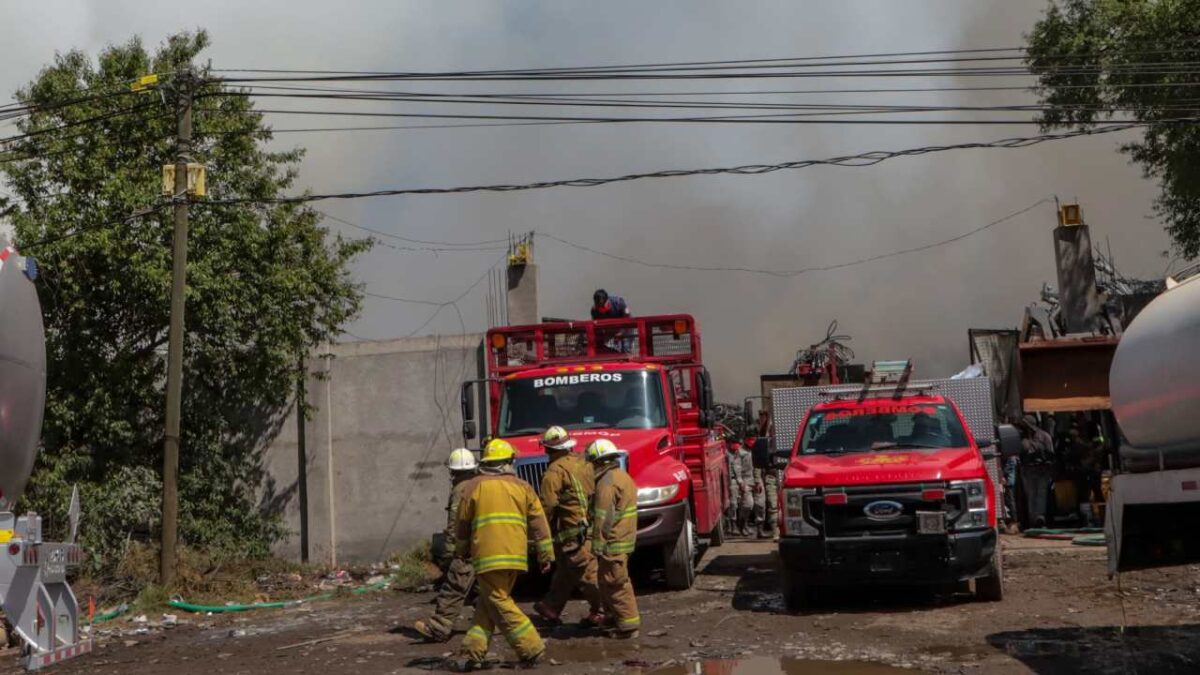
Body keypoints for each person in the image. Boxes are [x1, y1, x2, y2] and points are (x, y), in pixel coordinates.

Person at [455, 439, 555, 670]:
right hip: (515, 557)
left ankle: (531, 646)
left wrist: (461, 552)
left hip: (487, 557)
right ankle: (473, 651)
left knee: (498, 601)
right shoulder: (523, 487)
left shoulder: (473, 486)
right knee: (488, 602)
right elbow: (539, 523)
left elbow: (461, 525)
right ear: (508, 462)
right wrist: (545, 554)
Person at [532, 427, 604, 627]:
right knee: (566, 570)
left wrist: (540, 535)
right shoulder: (585, 463)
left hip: (572, 533)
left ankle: (604, 610)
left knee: (586, 573)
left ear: (547, 449)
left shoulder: (553, 472)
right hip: (590, 526)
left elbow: (547, 506)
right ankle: (551, 606)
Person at [413, 448, 479, 642]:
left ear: (452, 471)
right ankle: (486, 623)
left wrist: (451, 552)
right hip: (486, 546)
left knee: (454, 587)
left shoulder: (460, 490)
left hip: (467, 548)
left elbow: (455, 524)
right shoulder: (480, 484)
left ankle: (439, 627)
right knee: (483, 589)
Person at [586, 439, 640, 639]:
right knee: (606, 580)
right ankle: (612, 617)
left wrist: (596, 546)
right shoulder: (622, 477)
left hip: (613, 542)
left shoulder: (606, 483)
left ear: (598, 461)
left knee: (616, 583)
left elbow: (603, 519)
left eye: (591, 462)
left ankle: (628, 627)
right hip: (623, 539)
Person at [1018, 414, 1055, 529]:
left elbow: (1051, 455)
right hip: (1028, 471)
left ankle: (1039, 518)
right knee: (1031, 495)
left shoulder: (1044, 437)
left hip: (1042, 470)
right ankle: (1032, 521)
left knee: (1041, 494)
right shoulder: (1022, 439)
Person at [750, 435, 778, 539]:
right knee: (773, 504)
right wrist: (757, 480)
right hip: (772, 477)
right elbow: (758, 465)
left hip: (788, 475)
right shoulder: (768, 443)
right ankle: (776, 531)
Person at [728, 440, 754, 536]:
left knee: (748, 504)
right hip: (732, 480)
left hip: (745, 480)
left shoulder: (745, 452)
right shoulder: (727, 454)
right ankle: (733, 525)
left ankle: (744, 524)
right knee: (733, 504)